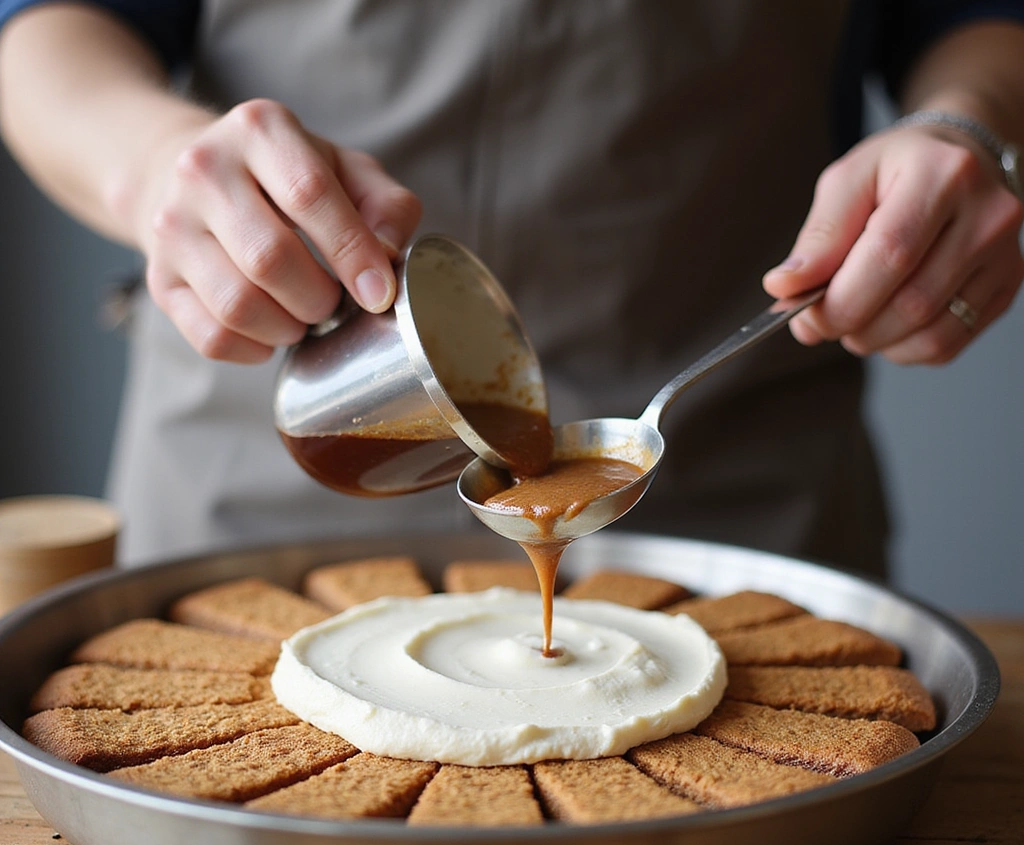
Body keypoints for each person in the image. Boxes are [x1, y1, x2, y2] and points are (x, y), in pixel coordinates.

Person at [0, 1, 1022, 575]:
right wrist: (152, 161)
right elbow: (43, 27)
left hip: (728, 509)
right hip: (264, 475)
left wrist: (970, 119)